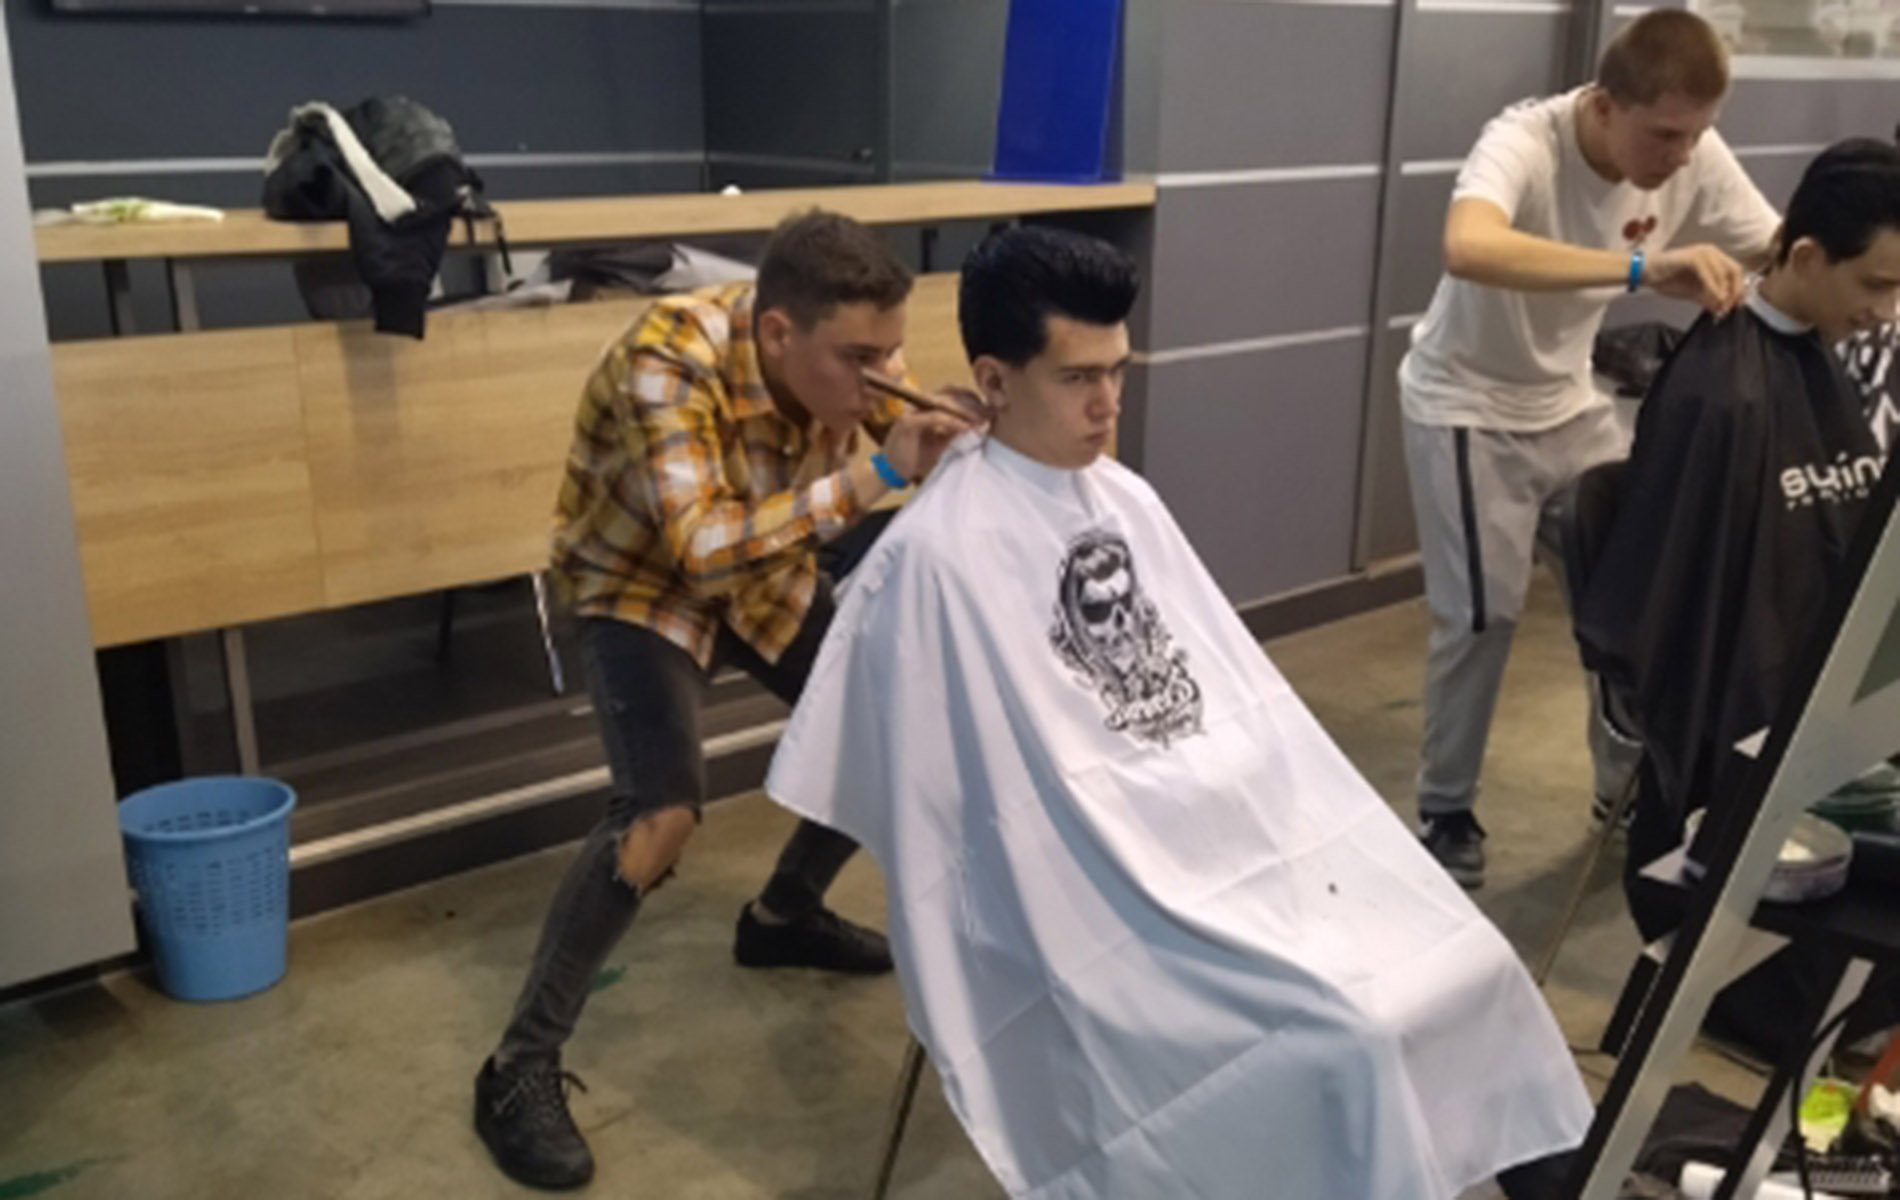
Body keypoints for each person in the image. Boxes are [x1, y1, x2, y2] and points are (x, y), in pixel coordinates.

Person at [767, 226, 1592, 1200]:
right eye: (1079, 377)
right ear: (991, 380)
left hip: (1240, 851)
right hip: (1107, 907)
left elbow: (1232, 701)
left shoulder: (1121, 499)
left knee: (1475, 963)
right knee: (1353, 1036)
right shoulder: (935, 557)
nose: (1108, 403)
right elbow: (945, 809)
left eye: (1118, 371)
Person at [473, 210, 977, 1190]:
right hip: (639, 582)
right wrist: (883, 469)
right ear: (779, 332)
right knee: (658, 814)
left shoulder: (847, 352)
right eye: (860, 358)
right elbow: (702, 550)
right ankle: (516, 1067)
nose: (883, 376)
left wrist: (964, 437)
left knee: (891, 728)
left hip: (764, 572)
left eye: (891, 351)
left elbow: (896, 431)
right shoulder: (667, 357)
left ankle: (783, 916)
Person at [1401, 9, 1783, 888]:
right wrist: (1645, 270)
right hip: (1467, 405)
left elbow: (1774, 244)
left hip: (1572, 405)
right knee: (1482, 618)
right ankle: (1445, 809)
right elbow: (1468, 245)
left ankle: (1622, 793)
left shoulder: (1691, 151)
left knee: (1623, 604)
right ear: (1605, 106)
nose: (1682, 156)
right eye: (1665, 134)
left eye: (1697, 134)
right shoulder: (1524, 142)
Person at [1577, 140, 1900, 1059]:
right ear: (1808, 256)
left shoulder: (1815, 360)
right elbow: (1682, 614)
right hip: (1738, 709)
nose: (1886, 311)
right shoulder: (1720, 396)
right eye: (1875, 285)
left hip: (1816, 685)